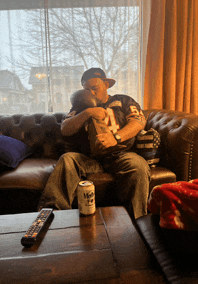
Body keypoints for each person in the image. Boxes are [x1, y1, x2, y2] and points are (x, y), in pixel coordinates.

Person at [37, 68, 150, 219]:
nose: (91, 93)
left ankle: (137, 221)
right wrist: (88, 112)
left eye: (94, 88)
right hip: (90, 159)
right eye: (87, 90)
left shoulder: (122, 100)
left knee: (138, 165)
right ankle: (51, 217)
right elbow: (65, 129)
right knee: (68, 159)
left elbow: (138, 121)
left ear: (106, 85)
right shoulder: (81, 106)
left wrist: (115, 137)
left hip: (122, 156)